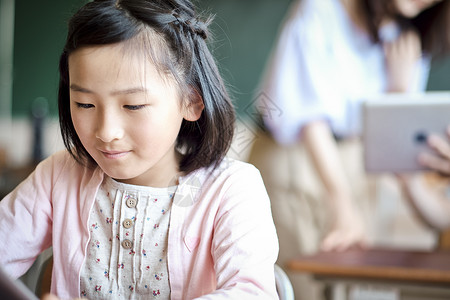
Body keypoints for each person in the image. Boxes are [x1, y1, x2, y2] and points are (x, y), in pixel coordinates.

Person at [0, 0, 279, 299]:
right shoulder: (58, 177)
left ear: (192, 101)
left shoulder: (231, 190)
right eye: (84, 104)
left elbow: (251, 293)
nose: (106, 132)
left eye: (133, 105)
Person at [248, 0, 450, 298]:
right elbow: (310, 119)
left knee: (346, 285)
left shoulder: (408, 37)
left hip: (356, 167)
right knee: (300, 284)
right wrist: (342, 204)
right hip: (294, 163)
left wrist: (397, 93)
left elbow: (393, 132)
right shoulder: (320, 10)